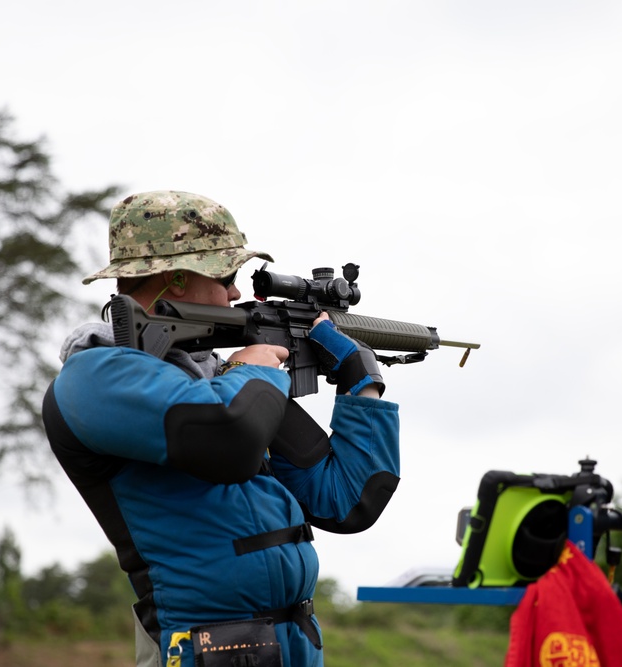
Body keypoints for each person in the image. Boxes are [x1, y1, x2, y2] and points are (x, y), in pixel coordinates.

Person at [41, 190, 401, 667]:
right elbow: (228, 444)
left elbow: (349, 501)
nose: (236, 294)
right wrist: (257, 372)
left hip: (292, 648)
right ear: (176, 281)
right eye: (227, 276)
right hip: (201, 649)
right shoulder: (95, 377)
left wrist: (362, 383)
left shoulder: (220, 378)